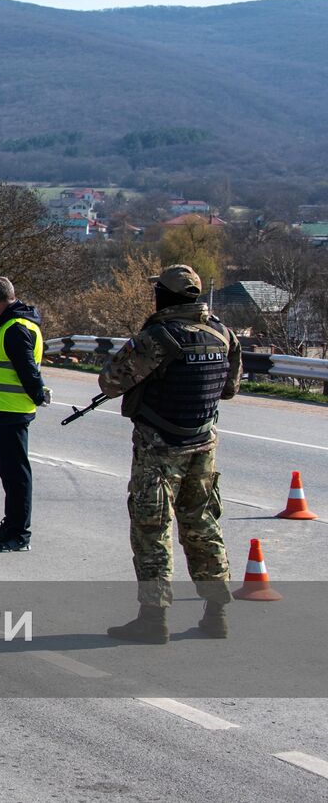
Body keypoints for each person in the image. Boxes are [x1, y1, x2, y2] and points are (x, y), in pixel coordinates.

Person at [100, 264, 239, 644]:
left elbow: (110, 382)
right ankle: (217, 615)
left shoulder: (157, 337)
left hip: (160, 447)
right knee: (203, 525)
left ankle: (153, 618)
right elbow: (229, 389)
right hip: (203, 445)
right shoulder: (223, 334)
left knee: (152, 529)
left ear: (166, 296)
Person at [0, 277, 50, 553]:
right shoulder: (11, 323)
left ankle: (19, 534)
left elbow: (28, 370)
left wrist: (38, 394)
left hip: (13, 410)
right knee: (8, 471)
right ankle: (11, 524)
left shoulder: (16, 327)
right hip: (5, 408)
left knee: (16, 473)